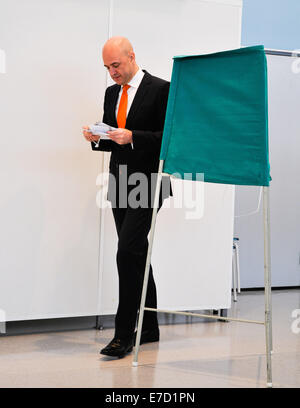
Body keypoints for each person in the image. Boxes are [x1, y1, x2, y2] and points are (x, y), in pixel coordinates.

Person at [83, 37, 171, 358]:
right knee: (136, 253)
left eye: (115, 65)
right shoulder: (111, 93)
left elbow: (170, 140)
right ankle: (149, 327)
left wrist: (133, 137)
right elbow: (113, 140)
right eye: (106, 67)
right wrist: (98, 137)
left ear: (131, 57)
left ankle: (124, 333)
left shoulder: (161, 89)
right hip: (120, 182)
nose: (111, 73)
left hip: (148, 182)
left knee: (126, 251)